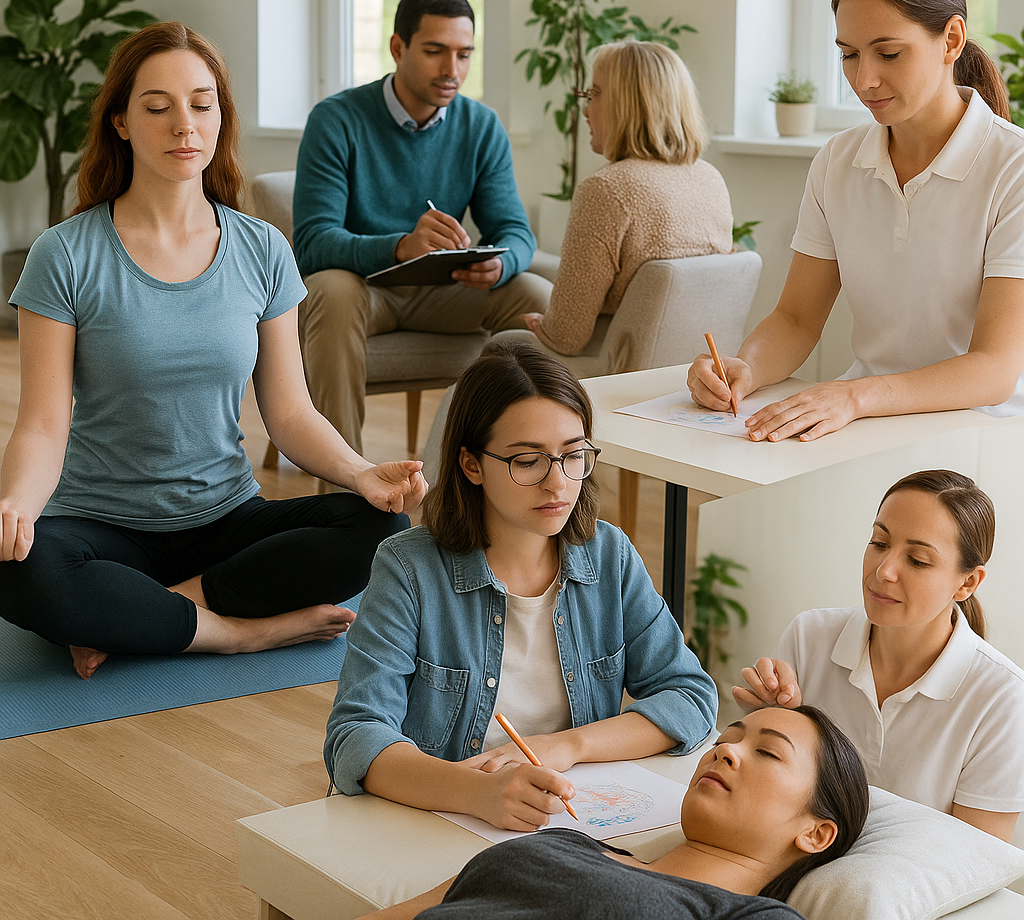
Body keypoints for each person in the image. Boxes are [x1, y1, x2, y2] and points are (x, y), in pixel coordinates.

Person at [0, 22, 427, 680]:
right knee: (19, 569)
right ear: (120, 121)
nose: (184, 126)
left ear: (221, 117)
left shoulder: (261, 249)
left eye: (202, 104)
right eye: (158, 106)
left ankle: (146, 616)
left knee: (379, 532)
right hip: (100, 524)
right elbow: (42, 423)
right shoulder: (66, 254)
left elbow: (289, 413)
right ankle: (238, 634)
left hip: (225, 517)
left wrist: (361, 472)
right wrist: (17, 509)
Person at [324, 342, 718, 830]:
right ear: (472, 465)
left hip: (569, 817)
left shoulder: (609, 555)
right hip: (443, 819)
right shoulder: (408, 569)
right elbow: (355, 736)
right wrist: (477, 792)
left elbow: (689, 695)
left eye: (573, 456)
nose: (558, 484)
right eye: (527, 461)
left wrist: (567, 746)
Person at [687, 0, 1024, 442]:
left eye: (888, 53)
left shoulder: (1012, 167)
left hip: (979, 437)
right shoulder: (838, 162)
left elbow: (994, 369)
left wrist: (854, 396)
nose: (864, 79)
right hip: (864, 425)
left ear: (951, 40)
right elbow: (797, 318)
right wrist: (747, 368)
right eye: (849, 55)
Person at [292, 0, 551, 455]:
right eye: (435, 52)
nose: (453, 70)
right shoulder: (336, 120)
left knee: (536, 294)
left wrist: (501, 264)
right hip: (363, 291)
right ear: (398, 47)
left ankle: (511, 463)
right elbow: (311, 242)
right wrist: (400, 246)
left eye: (464, 55)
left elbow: (515, 230)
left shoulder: (480, 125)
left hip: (444, 294)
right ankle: (345, 495)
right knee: (330, 291)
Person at [356, 705, 869, 920]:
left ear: (817, 834)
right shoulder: (566, 842)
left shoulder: (750, 916)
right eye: (727, 738)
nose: (725, 751)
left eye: (770, 752)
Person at [733, 470, 1024, 841]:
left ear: (967, 582)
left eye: (917, 561)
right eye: (879, 542)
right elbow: (759, 797)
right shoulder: (810, 637)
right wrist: (771, 726)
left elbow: (975, 861)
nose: (884, 571)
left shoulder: (1002, 697)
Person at [522, 40, 732, 358]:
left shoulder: (607, 190)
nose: (585, 109)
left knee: (499, 350)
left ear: (627, 104)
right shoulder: (710, 179)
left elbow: (566, 337)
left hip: (612, 371)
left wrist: (544, 326)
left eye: (594, 95)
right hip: (691, 371)